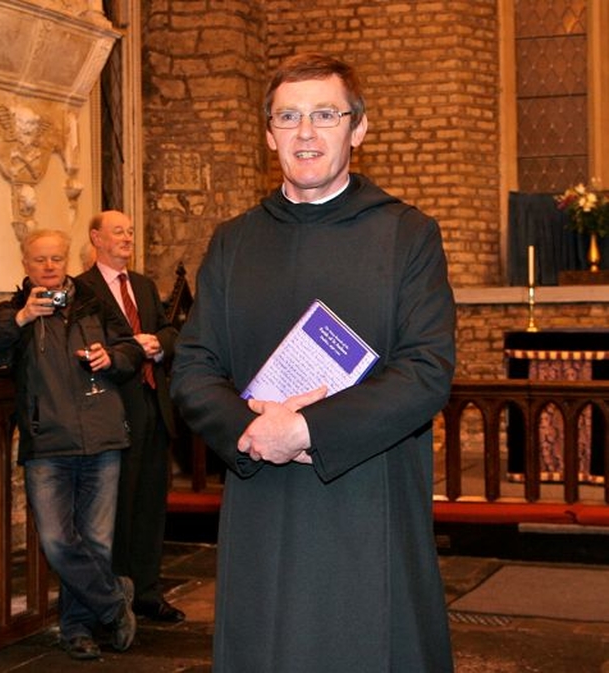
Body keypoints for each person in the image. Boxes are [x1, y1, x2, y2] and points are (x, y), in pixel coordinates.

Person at [170, 52, 456, 672]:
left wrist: (305, 429)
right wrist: (253, 431)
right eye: (288, 117)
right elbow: (193, 367)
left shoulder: (407, 234)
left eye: (325, 115)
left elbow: (427, 368)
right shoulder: (234, 241)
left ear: (358, 128)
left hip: (367, 497)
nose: (306, 133)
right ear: (268, 134)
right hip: (263, 492)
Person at [0, 229, 142, 660]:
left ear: (66, 261)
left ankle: (76, 629)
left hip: (102, 437)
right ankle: (113, 599)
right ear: (25, 265)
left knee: (96, 543)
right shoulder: (15, 311)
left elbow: (131, 348)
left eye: (57, 259)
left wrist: (114, 358)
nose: (49, 266)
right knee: (57, 542)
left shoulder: (93, 303)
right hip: (47, 444)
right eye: (40, 260)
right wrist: (21, 319)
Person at [79, 210, 185, 623]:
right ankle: (112, 596)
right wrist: (133, 348)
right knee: (115, 508)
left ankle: (147, 591)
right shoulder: (82, 288)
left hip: (153, 407)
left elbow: (172, 330)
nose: (127, 237)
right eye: (118, 231)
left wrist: (158, 343)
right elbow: (93, 344)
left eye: (130, 231)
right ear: (95, 238)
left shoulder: (141, 284)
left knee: (149, 505)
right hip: (112, 409)